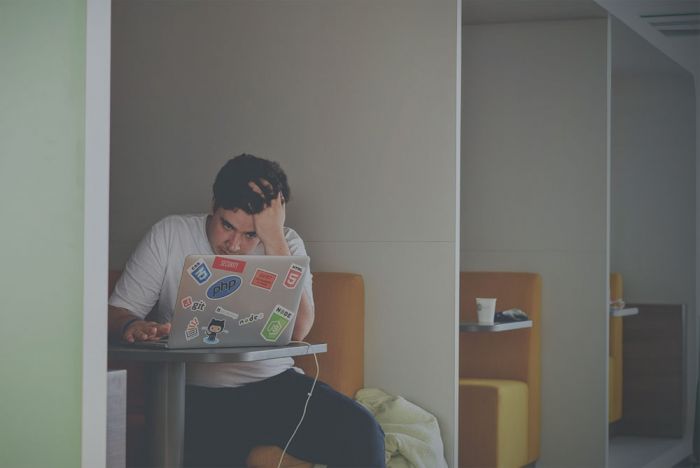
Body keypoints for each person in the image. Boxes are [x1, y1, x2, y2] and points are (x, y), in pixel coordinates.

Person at [108, 154, 385, 467]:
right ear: (214, 205)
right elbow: (116, 311)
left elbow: (299, 330)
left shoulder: (286, 243)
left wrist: (274, 238)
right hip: (195, 393)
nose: (235, 244)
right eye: (227, 226)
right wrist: (131, 325)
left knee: (363, 432)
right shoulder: (169, 234)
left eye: (250, 234)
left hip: (274, 387)